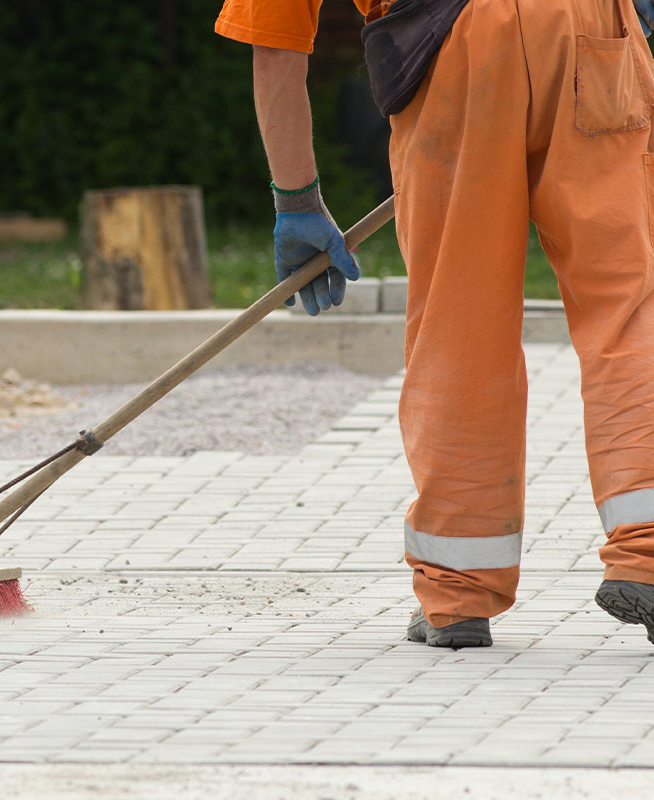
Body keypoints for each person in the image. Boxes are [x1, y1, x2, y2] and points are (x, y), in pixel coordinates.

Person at [215, 0, 654, 647]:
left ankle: (460, 587)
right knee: (628, 308)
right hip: (590, 25)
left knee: (461, 323)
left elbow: (274, 45)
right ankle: (648, 548)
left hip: (457, 43)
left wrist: (298, 200)